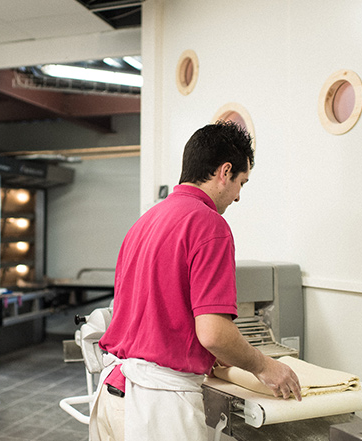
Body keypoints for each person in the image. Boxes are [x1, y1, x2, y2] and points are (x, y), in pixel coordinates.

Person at [89, 122, 302, 441]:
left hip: (112, 396)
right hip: (156, 406)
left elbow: (157, 309)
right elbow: (214, 333)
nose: (239, 196)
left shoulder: (145, 221)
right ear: (225, 172)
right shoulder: (209, 225)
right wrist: (264, 366)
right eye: (241, 182)